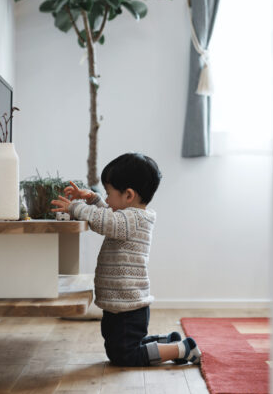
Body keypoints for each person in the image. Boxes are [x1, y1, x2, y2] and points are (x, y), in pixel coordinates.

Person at [51, 153, 201, 367]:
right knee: (119, 347)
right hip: (119, 303)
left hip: (129, 305)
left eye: (108, 193)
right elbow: (109, 214)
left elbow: (107, 221)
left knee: (125, 354)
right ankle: (167, 343)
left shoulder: (134, 219)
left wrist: (76, 207)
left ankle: (182, 349)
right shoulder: (127, 217)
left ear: (128, 195)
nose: (107, 198)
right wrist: (92, 198)